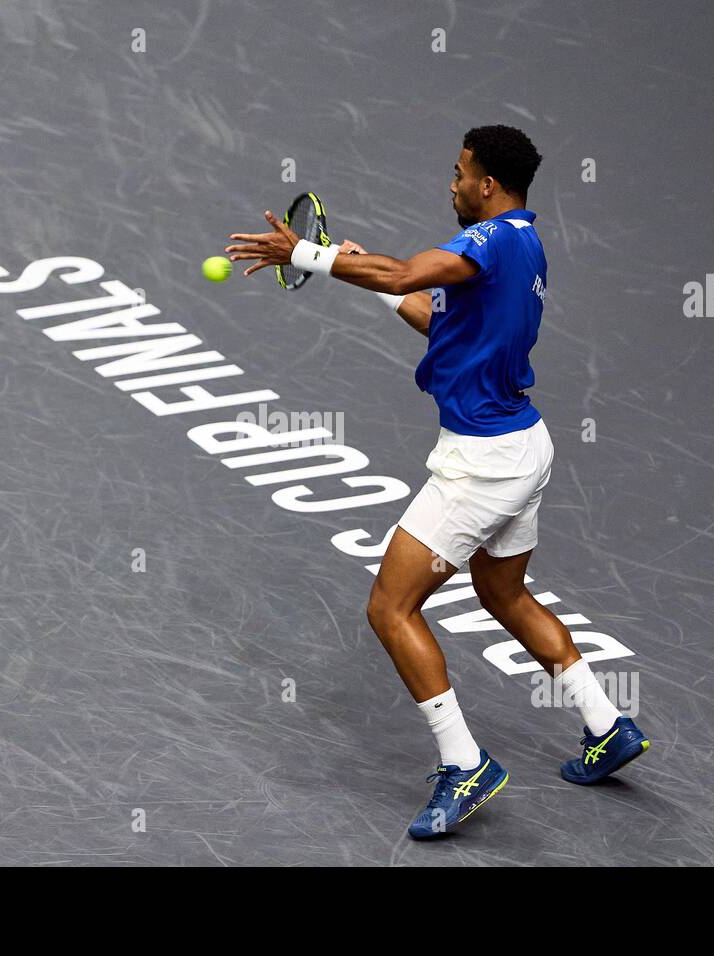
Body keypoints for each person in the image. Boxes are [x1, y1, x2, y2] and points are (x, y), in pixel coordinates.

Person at [226, 125, 649, 840]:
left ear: (487, 184)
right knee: (503, 592)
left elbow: (403, 272)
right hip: (525, 445)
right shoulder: (524, 245)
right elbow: (442, 323)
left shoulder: (486, 243)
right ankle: (607, 726)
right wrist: (372, 279)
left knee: (390, 609)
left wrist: (307, 255)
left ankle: (465, 763)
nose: (450, 184)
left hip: (480, 462)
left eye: (459, 174)